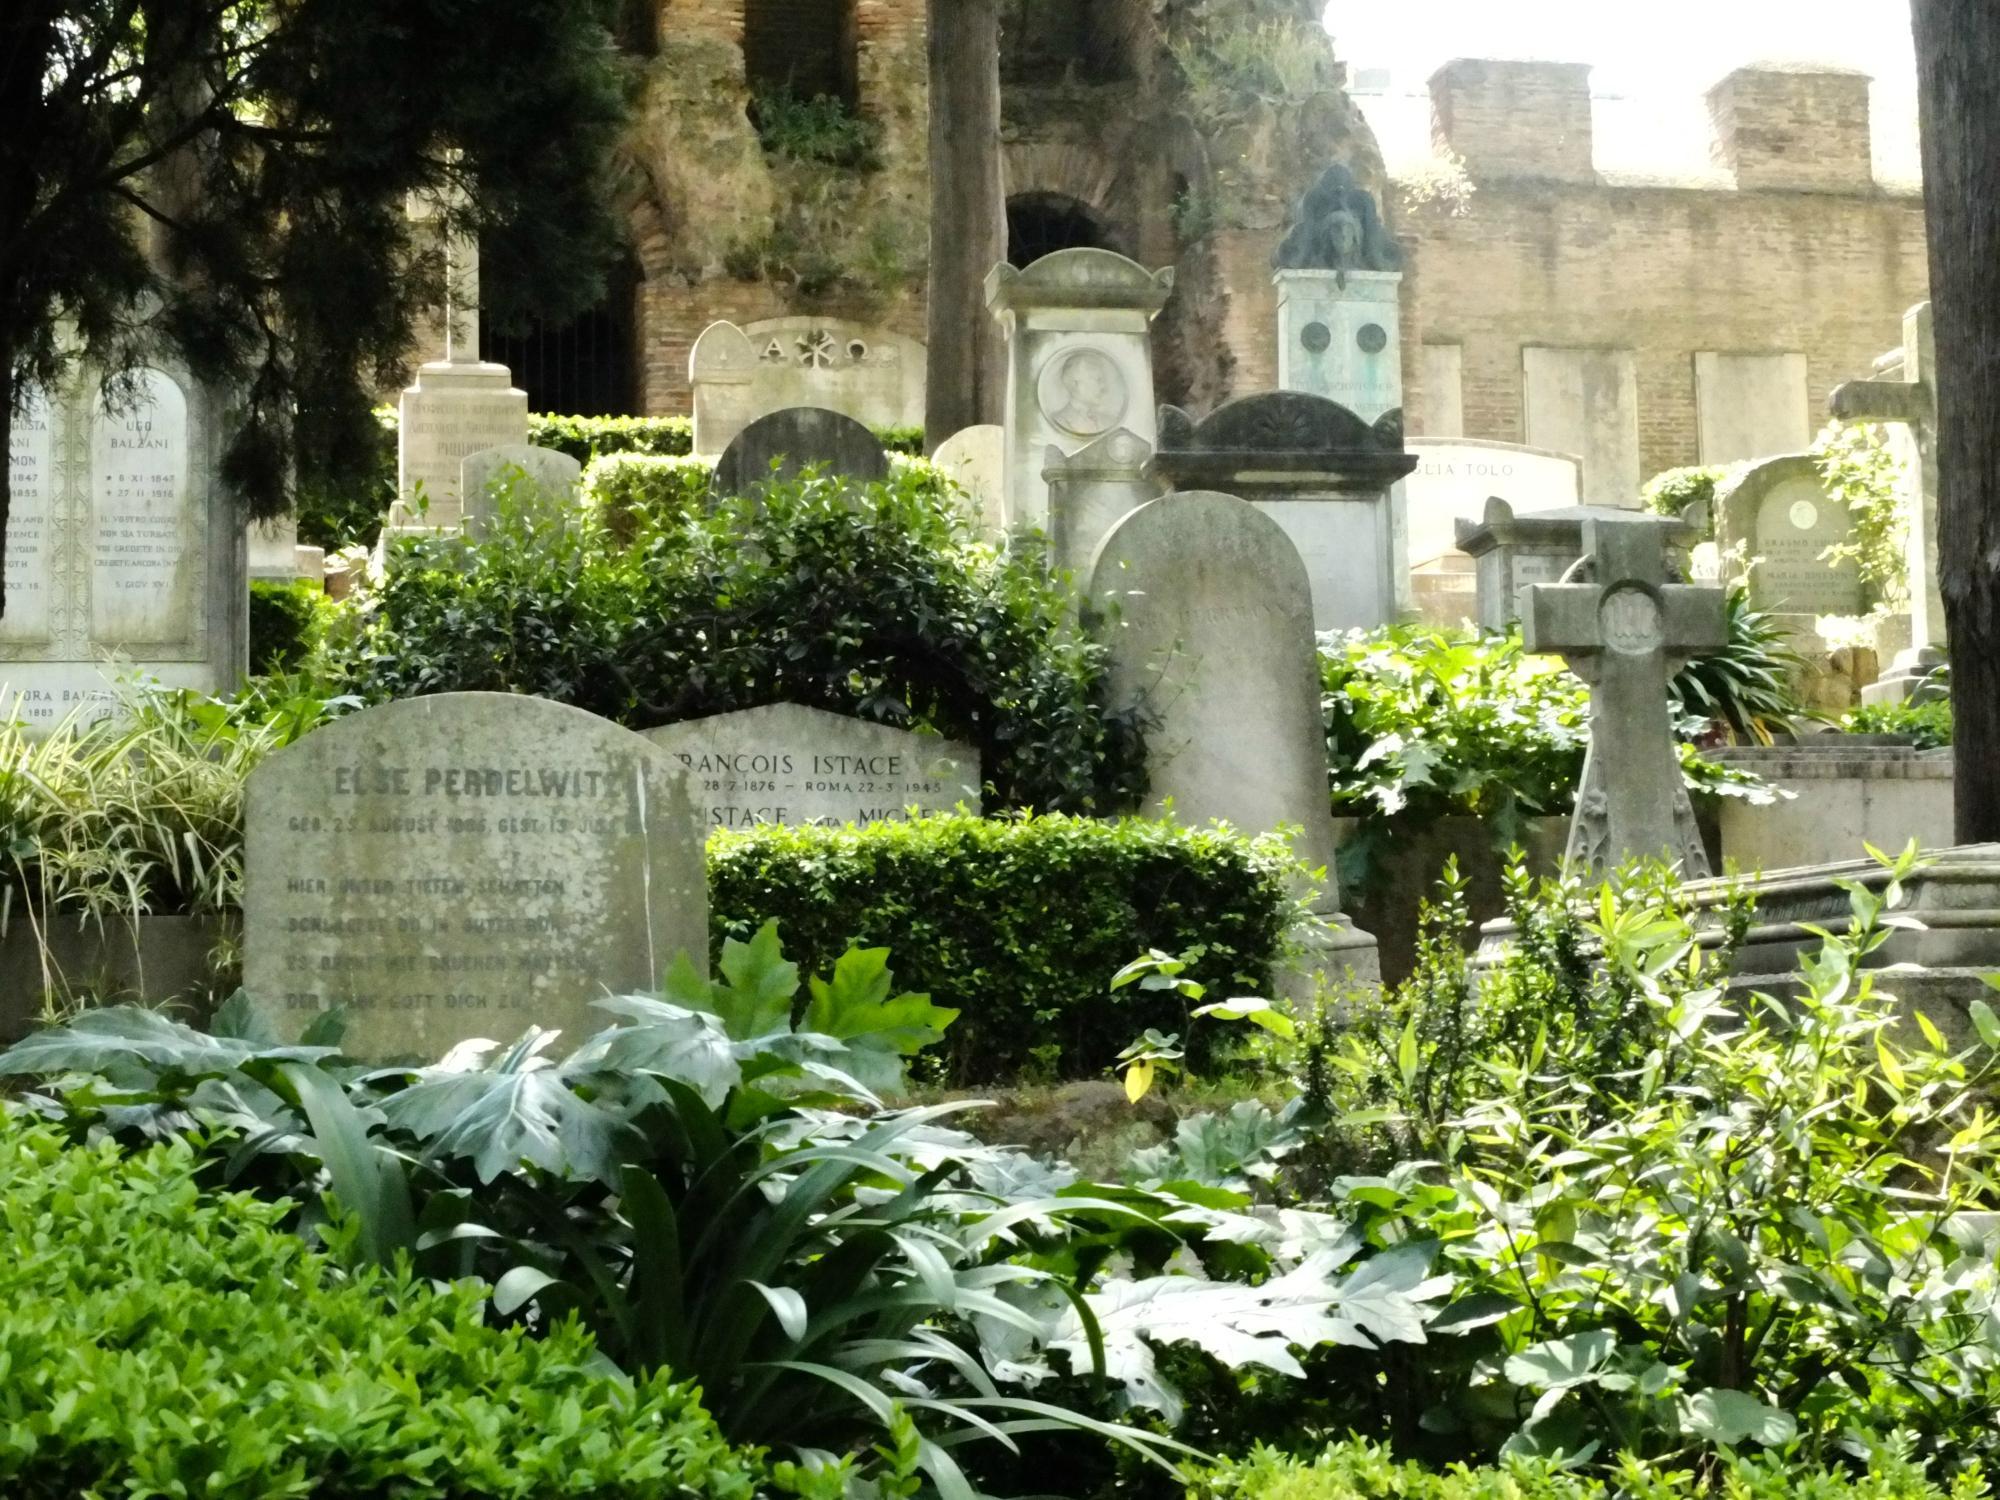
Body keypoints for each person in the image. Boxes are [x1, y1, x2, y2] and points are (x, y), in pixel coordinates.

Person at [1046, 347, 1123, 434]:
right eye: (1098, 380)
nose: (1104, 387)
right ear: (1076, 384)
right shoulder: (1056, 421)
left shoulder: (1110, 422)